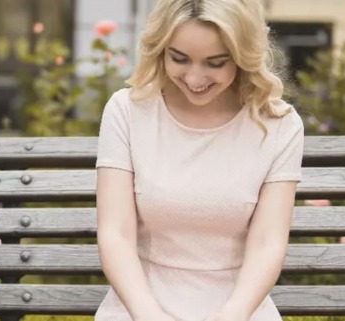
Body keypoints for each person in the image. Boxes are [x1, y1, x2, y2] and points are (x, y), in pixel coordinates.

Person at [93, 0, 303, 320]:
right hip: (140, 308)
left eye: (215, 63)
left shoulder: (279, 124)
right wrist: (149, 314)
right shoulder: (128, 111)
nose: (195, 78)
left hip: (238, 310)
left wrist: (233, 314)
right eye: (179, 58)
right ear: (161, 49)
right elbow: (115, 234)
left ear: (242, 56)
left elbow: (267, 243)